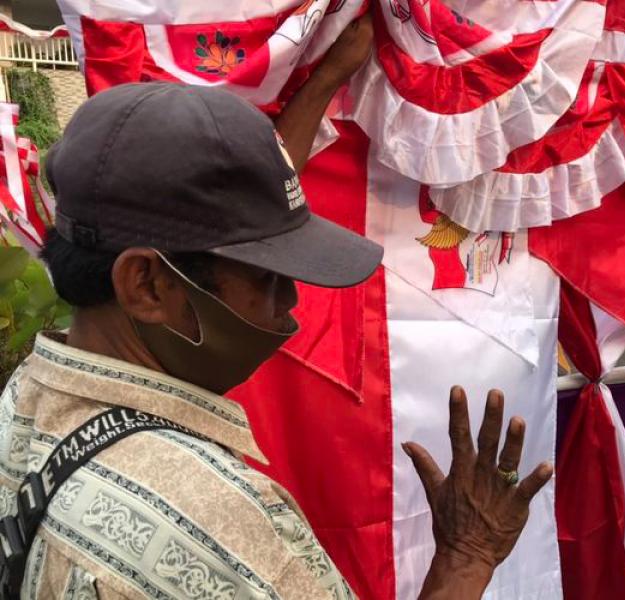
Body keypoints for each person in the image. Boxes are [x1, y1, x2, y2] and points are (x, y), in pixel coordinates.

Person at [0, 15, 553, 600]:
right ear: (147, 285)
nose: (289, 310)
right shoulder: (220, 526)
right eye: (266, 279)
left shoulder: (22, 401)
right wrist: (467, 561)